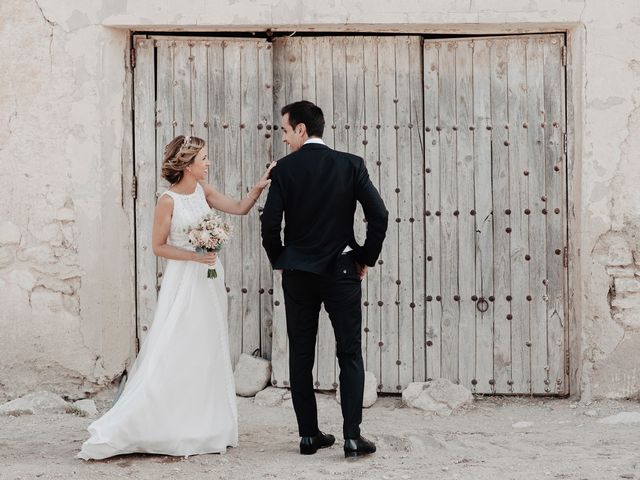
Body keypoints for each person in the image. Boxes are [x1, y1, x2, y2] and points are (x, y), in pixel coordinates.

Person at [78, 135, 275, 460]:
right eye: (204, 159)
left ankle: (203, 424)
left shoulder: (203, 191)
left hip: (210, 280)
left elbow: (239, 208)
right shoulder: (168, 200)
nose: (208, 163)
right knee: (177, 344)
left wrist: (260, 185)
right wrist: (195, 256)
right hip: (185, 281)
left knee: (206, 347)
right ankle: (154, 420)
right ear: (187, 164)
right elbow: (158, 246)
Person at [260, 101, 388, 458]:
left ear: (301, 129)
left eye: (285, 130)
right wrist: (364, 257)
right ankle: (351, 437)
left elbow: (270, 225)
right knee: (349, 351)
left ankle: (308, 436)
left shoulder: (284, 170)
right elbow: (379, 216)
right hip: (341, 271)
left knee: (301, 353)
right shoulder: (351, 165)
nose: (283, 138)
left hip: (298, 274)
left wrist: (281, 259)